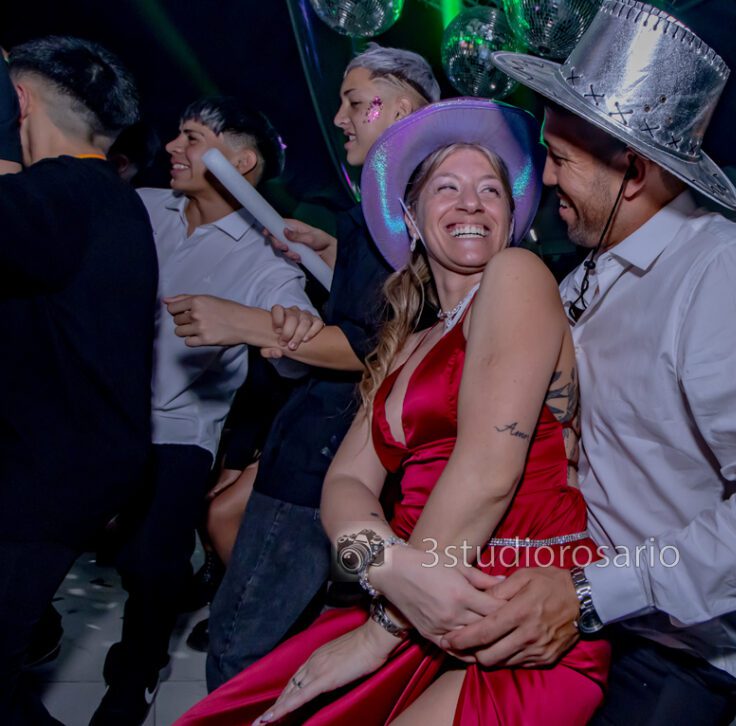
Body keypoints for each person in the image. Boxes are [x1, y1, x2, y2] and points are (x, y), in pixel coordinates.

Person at [436, 3, 736, 724]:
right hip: (568, 616)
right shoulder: (583, 277)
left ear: (631, 170)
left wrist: (597, 591)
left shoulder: (725, 274)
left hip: (670, 657)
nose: (546, 176)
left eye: (560, 158)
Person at [179, 97, 611, 725]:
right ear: (410, 217)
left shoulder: (517, 275)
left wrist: (380, 630)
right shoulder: (407, 343)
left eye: (490, 189)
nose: (471, 202)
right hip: (418, 594)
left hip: (515, 608)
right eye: (447, 187)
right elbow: (346, 483)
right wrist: (383, 563)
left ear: (511, 218)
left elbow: (488, 470)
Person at [170, 44, 442, 690]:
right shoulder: (388, 206)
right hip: (328, 443)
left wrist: (243, 323)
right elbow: (389, 306)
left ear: (400, 109)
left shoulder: (404, 208)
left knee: (239, 646)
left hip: (326, 452)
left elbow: (374, 346)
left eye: (355, 102)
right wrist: (333, 253)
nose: (341, 118)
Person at [92, 96, 315, 726]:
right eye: (179, 134)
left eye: (192, 137)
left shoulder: (266, 257)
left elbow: (298, 347)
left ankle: (137, 670)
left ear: (241, 163)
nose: (172, 147)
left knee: (150, 559)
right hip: (101, 414)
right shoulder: (139, 208)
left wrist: (286, 331)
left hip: (180, 429)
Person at [0, 37, 157, 724]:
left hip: (41, 476)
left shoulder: (61, 194)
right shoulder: (107, 198)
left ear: (19, 102)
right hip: (70, 466)